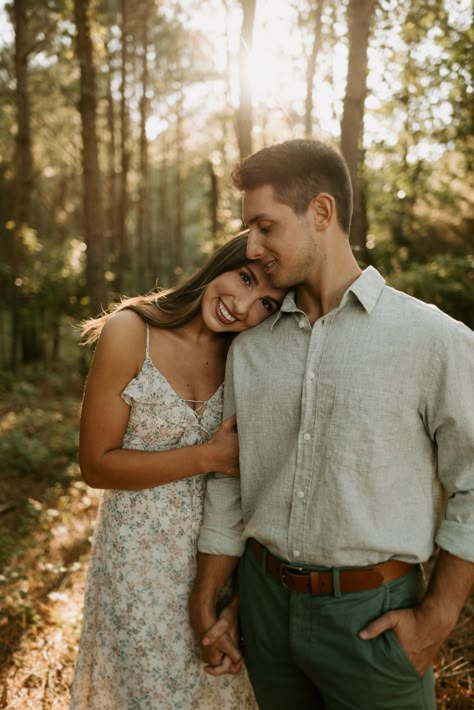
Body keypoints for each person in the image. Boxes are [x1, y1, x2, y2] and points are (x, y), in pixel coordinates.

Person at [190, 139, 474, 710]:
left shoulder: (434, 339)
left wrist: (437, 617)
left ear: (321, 212)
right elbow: (231, 478)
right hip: (263, 613)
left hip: (374, 621)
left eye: (265, 226)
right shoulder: (249, 348)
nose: (252, 246)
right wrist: (210, 593)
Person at [69, 232, 286, 710]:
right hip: (137, 561)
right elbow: (96, 464)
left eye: (266, 304)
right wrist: (206, 457)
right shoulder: (131, 332)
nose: (243, 305)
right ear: (220, 264)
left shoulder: (246, 358)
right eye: (244, 278)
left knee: (219, 693)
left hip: (217, 558)